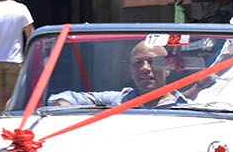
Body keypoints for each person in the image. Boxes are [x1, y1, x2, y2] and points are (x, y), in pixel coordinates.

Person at [49, 40, 186, 108]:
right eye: (138, 63)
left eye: (152, 62)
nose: (145, 68)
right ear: (131, 70)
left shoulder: (186, 108)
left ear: (167, 69)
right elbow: (63, 97)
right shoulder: (118, 100)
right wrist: (65, 110)